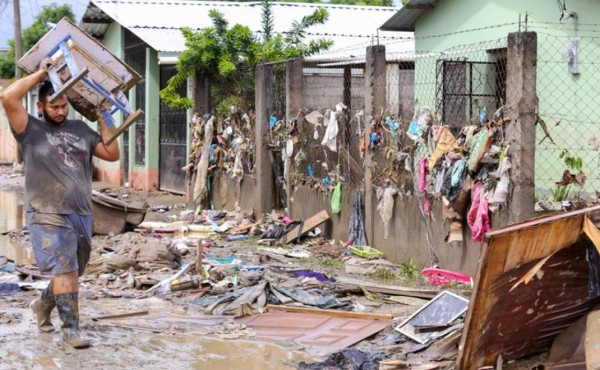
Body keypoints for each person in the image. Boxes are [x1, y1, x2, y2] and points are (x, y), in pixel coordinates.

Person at [0, 59, 120, 349]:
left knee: (71, 271)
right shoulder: (29, 129)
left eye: (64, 105)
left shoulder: (81, 129)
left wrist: (104, 116)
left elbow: (112, 153)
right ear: (40, 106)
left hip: (80, 212)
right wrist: (41, 73)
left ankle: (42, 306)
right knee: (64, 268)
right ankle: (71, 329)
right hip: (46, 210)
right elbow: (7, 96)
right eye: (53, 105)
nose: (60, 110)